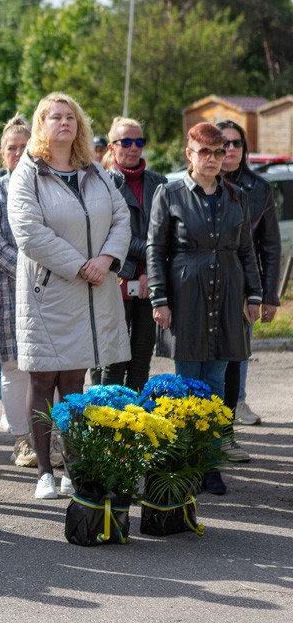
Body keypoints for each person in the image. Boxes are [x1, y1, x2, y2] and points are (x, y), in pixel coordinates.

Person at [8, 93, 130, 500]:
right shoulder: (28, 173)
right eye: (54, 116)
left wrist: (108, 258)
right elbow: (29, 232)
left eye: (70, 117)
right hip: (49, 292)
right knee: (43, 376)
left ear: (79, 126)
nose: (64, 122)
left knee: (75, 380)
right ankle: (44, 470)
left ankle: (73, 467)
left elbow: (121, 218)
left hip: (92, 290)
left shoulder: (94, 170)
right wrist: (81, 265)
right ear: (41, 125)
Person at [148, 122, 262, 496]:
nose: (213, 158)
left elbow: (247, 249)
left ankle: (210, 466)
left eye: (218, 152)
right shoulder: (170, 193)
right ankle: (183, 463)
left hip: (229, 293)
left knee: (216, 386)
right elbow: (155, 249)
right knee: (186, 385)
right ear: (189, 155)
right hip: (186, 294)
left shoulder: (236, 195)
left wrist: (255, 295)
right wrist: (159, 299)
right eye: (205, 152)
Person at [217, 119, 280, 435]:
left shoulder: (259, 188)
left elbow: (270, 246)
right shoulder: (196, 184)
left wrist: (269, 294)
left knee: (239, 347)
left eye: (236, 143)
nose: (230, 149)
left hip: (245, 283)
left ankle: (237, 401)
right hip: (204, 282)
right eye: (223, 143)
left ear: (245, 148)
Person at [0, 116, 35, 468]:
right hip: (7, 292)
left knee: (49, 372)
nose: (18, 154)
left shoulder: (48, 187)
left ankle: (51, 436)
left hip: (50, 294)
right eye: (11, 149)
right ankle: (22, 441)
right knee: (14, 369)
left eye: (24, 147)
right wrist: (37, 268)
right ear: (3, 155)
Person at [101, 117, 167, 391]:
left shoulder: (160, 183)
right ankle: (106, 422)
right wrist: (146, 259)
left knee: (142, 356)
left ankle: (138, 424)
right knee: (112, 358)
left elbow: (167, 234)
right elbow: (111, 236)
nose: (133, 148)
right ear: (111, 146)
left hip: (150, 280)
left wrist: (148, 272)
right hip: (114, 277)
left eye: (139, 142)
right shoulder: (102, 183)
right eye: (125, 142)